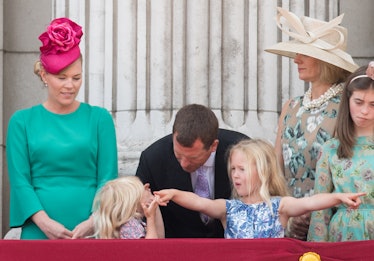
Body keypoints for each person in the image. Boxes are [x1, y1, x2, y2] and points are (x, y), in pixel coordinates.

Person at [6, 17, 118, 239]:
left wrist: (93, 221)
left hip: (91, 230)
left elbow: (108, 179)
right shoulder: (21, 122)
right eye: (61, 77)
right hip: (39, 230)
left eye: (76, 78)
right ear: (44, 75)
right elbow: (20, 181)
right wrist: (45, 223)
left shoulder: (100, 119)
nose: (70, 85)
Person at [264, 7, 359, 240]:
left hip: (333, 219)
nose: (296, 60)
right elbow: (276, 168)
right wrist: (287, 213)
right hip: (289, 221)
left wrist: (316, 211)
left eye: (304, 54)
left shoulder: (349, 107)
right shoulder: (291, 106)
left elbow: (353, 167)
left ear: (325, 61)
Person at [154, 139, 365, 239]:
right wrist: (174, 194)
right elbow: (199, 202)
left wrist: (338, 197)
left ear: (263, 172)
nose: (235, 174)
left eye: (242, 169)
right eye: (233, 169)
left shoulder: (279, 206)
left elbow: (309, 203)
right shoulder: (228, 208)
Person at [135, 104, 248, 238]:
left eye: (193, 158)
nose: (184, 163)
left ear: (213, 146)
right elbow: (138, 215)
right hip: (176, 249)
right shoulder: (153, 159)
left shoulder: (243, 152)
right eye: (178, 156)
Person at [308, 63, 374, 242]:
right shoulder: (331, 148)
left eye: (373, 104)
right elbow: (320, 208)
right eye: (358, 102)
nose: (365, 111)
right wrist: (317, 251)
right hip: (342, 237)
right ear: (348, 100)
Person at [92, 176, 164, 239]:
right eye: (142, 190)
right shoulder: (130, 226)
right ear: (132, 204)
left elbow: (159, 239)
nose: (148, 188)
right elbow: (150, 248)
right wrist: (150, 218)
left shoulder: (131, 224)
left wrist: (154, 207)